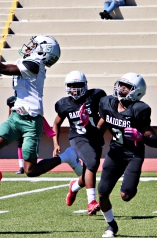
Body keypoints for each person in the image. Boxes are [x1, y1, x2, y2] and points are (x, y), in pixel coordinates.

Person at [0, 33, 83, 199]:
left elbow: (0, 69)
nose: (30, 46)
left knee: (30, 171)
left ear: (43, 52)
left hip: (31, 123)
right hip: (16, 117)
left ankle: (66, 157)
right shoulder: (28, 62)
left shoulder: (35, 65)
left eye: (35, 45)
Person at [97, 72, 157, 237]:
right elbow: (98, 129)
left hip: (133, 155)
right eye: (120, 85)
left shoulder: (139, 110)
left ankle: (129, 183)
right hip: (115, 153)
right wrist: (86, 126)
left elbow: (155, 140)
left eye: (127, 87)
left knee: (126, 195)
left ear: (136, 91)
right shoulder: (107, 103)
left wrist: (140, 136)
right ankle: (111, 226)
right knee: (102, 193)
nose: (121, 89)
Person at [52, 71, 107, 216]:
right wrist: (55, 143)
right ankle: (91, 202)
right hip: (78, 137)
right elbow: (56, 123)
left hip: (95, 136)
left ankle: (74, 187)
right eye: (71, 86)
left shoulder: (96, 96)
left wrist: (100, 128)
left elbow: (106, 114)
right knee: (92, 163)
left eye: (78, 85)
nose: (75, 89)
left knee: (89, 169)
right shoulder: (64, 104)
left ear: (85, 85)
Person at [6, 95, 24, 174]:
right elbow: (9, 117)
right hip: (18, 129)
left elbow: (25, 115)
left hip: (25, 128)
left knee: (29, 146)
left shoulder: (21, 105)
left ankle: (31, 164)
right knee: (19, 146)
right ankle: (22, 167)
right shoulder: (11, 106)